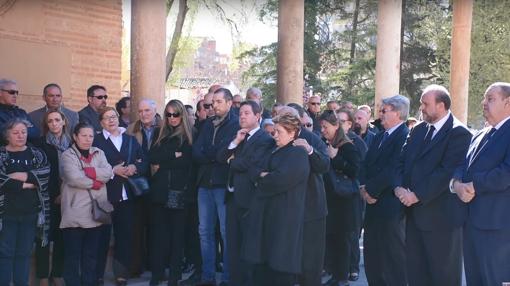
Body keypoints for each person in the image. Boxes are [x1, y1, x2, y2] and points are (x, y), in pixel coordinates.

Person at [394, 84, 472, 286]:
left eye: (425, 103)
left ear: (441, 105)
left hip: (442, 221)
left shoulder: (459, 133)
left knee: (443, 277)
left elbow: (446, 172)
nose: (421, 107)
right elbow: (401, 161)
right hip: (414, 217)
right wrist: (399, 188)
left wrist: (416, 195)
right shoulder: (418, 129)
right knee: (416, 275)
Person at [451, 82, 510, 285]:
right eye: (484, 98)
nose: (484, 103)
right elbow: (461, 165)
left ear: (508, 102)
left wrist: (474, 185)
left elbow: (506, 173)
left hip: (498, 228)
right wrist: (457, 185)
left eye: (490, 98)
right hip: (471, 224)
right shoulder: (479, 134)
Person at [243, 113, 310, 286]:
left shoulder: (297, 154)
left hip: (284, 220)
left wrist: (264, 178)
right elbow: (253, 169)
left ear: (292, 132)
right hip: (265, 218)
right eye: (273, 132)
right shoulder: (272, 150)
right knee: (262, 267)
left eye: (279, 132)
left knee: (280, 268)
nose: (275, 135)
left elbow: (280, 180)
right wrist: (262, 175)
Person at [217, 101, 274, 286]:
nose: (242, 116)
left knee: (249, 247)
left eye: (247, 113)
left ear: (258, 116)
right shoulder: (239, 137)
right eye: (240, 113)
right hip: (232, 197)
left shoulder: (264, 139)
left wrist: (232, 161)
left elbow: (252, 164)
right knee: (232, 246)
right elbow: (220, 157)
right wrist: (235, 143)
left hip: (250, 200)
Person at [93, 107, 147, 286]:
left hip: (127, 196)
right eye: (107, 118)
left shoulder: (130, 140)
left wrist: (134, 168)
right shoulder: (96, 141)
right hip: (105, 196)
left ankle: (121, 274)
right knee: (101, 238)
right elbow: (91, 167)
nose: (111, 120)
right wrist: (112, 171)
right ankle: (98, 276)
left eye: (114, 116)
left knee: (125, 236)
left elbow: (144, 161)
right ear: (101, 122)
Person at [360, 95, 410, 286]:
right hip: (372, 205)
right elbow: (365, 164)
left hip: (390, 206)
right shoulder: (380, 135)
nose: (379, 114)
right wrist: (363, 187)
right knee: (373, 256)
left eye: (384, 110)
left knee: (392, 258)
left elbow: (393, 168)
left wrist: (372, 190)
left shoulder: (405, 135)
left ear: (397, 113)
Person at [192, 88, 239, 285]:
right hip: (204, 184)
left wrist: (212, 154)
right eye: (212, 103)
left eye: (219, 102)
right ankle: (207, 276)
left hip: (222, 184)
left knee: (226, 232)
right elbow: (196, 152)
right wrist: (213, 155)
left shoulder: (235, 124)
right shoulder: (207, 125)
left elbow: (223, 153)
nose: (214, 106)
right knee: (205, 231)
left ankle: (228, 277)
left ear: (229, 103)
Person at [147, 100, 194, 286]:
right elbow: (152, 157)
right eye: (168, 114)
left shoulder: (190, 136)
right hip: (159, 193)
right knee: (159, 237)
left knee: (177, 238)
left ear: (182, 115)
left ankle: (174, 276)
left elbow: (186, 162)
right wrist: (172, 155)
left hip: (180, 192)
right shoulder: (160, 133)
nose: (172, 118)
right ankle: (156, 275)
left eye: (176, 114)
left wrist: (164, 161)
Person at [59, 123, 113, 286]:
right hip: (74, 214)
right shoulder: (68, 155)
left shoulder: (99, 152)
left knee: (91, 256)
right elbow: (74, 178)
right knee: (72, 257)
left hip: (96, 213)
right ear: (75, 136)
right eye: (83, 135)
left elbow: (108, 172)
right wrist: (96, 182)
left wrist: (88, 172)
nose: (88, 139)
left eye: (90, 136)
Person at [283, 105, 330, 286]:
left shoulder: (311, 138)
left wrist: (310, 150)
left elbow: (324, 165)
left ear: (300, 120)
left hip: (311, 209)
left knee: (310, 260)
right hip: (286, 209)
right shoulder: (276, 138)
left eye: (290, 117)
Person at [0, 118, 50, 286]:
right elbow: (1, 180)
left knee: (24, 252)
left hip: (30, 212)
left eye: (23, 132)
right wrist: (27, 184)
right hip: (6, 213)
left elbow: (45, 173)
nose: (20, 136)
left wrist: (23, 177)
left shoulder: (36, 153)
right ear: (7, 135)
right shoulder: (2, 155)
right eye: (15, 133)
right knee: (5, 252)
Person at [320, 110, 361, 286]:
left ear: (336, 126)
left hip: (344, 202)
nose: (322, 130)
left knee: (342, 242)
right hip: (331, 201)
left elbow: (356, 170)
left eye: (325, 126)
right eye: (321, 126)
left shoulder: (347, 145)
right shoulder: (326, 143)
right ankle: (336, 275)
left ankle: (342, 278)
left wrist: (336, 158)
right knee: (333, 240)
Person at [35, 110, 73, 286]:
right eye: (50, 121)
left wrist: (63, 193)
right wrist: (53, 194)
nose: (54, 124)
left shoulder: (73, 143)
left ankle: (57, 273)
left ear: (64, 121)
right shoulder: (40, 144)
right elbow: (39, 172)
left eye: (57, 120)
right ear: (46, 125)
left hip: (68, 196)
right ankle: (43, 275)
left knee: (62, 238)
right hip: (45, 197)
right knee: (43, 236)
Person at [126, 99, 162, 276]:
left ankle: (156, 266)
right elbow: (128, 155)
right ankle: (136, 266)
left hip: (159, 182)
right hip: (138, 183)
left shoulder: (164, 127)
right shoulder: (131, 129)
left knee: (157, 227)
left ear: (155, 110)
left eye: (148, 110)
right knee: (137, 227)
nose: (144, 114)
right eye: (140, 111)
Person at [0, 79, 40, 145]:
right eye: (11, 92)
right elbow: (3, 135)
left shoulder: (21, 112)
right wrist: (25, 128)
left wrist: (15, 131)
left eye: (16, 93)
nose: (15, 95)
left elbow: (36, 133)